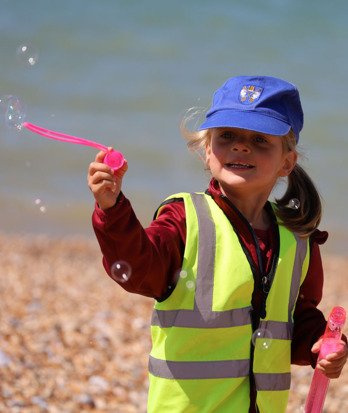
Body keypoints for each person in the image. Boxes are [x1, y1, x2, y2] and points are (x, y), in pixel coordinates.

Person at [87, 75, 347, 413]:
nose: (241, 146)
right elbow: (138, 270)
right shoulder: (185, 219)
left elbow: (296, 321)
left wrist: (321, 345)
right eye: (227, 136)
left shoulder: (298, 239)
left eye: (259, 139)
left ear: (287, 161)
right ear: (207, 150)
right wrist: (112, 208)